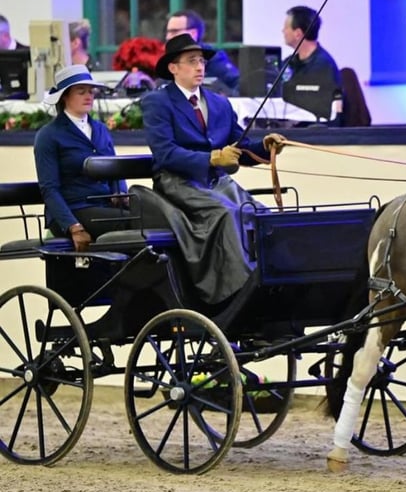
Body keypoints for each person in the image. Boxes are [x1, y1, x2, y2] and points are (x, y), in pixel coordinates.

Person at [140, 33, 285, 304]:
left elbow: (240, 145)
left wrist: (266, 146)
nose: (199, 67)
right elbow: (165, 153)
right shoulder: (157, 103)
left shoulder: (219, 103)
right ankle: (237, 292)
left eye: (202, 62)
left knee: (260, 213)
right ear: (173, 67)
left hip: (219, 184)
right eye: (192, 61)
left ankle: (273, 281)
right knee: (225, 214)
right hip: (178, 183)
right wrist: (211, 159)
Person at [34, 64, 129, 252]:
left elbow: (116, 171)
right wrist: (73, 226)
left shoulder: (100, 129)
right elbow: (49, 189)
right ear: (65, 97)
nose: (89, 96)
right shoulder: (49, 135)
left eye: (91, 91)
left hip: (103, 205)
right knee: (130, 225)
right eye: (81, 91)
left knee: (152, 217)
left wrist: (121, 194)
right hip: (74, 208)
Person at [281, 5, 342, 122]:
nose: (282, 31)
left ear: (298, 33)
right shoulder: (289, 63)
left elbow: (327, 111)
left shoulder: (324, 66)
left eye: (286, 27)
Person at [165, 9, 240, 95]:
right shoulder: (169, 58)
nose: (168, 37)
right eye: (168, 32)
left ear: (193, 34)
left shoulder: (212, 57)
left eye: (174, 32)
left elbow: (238, 84)